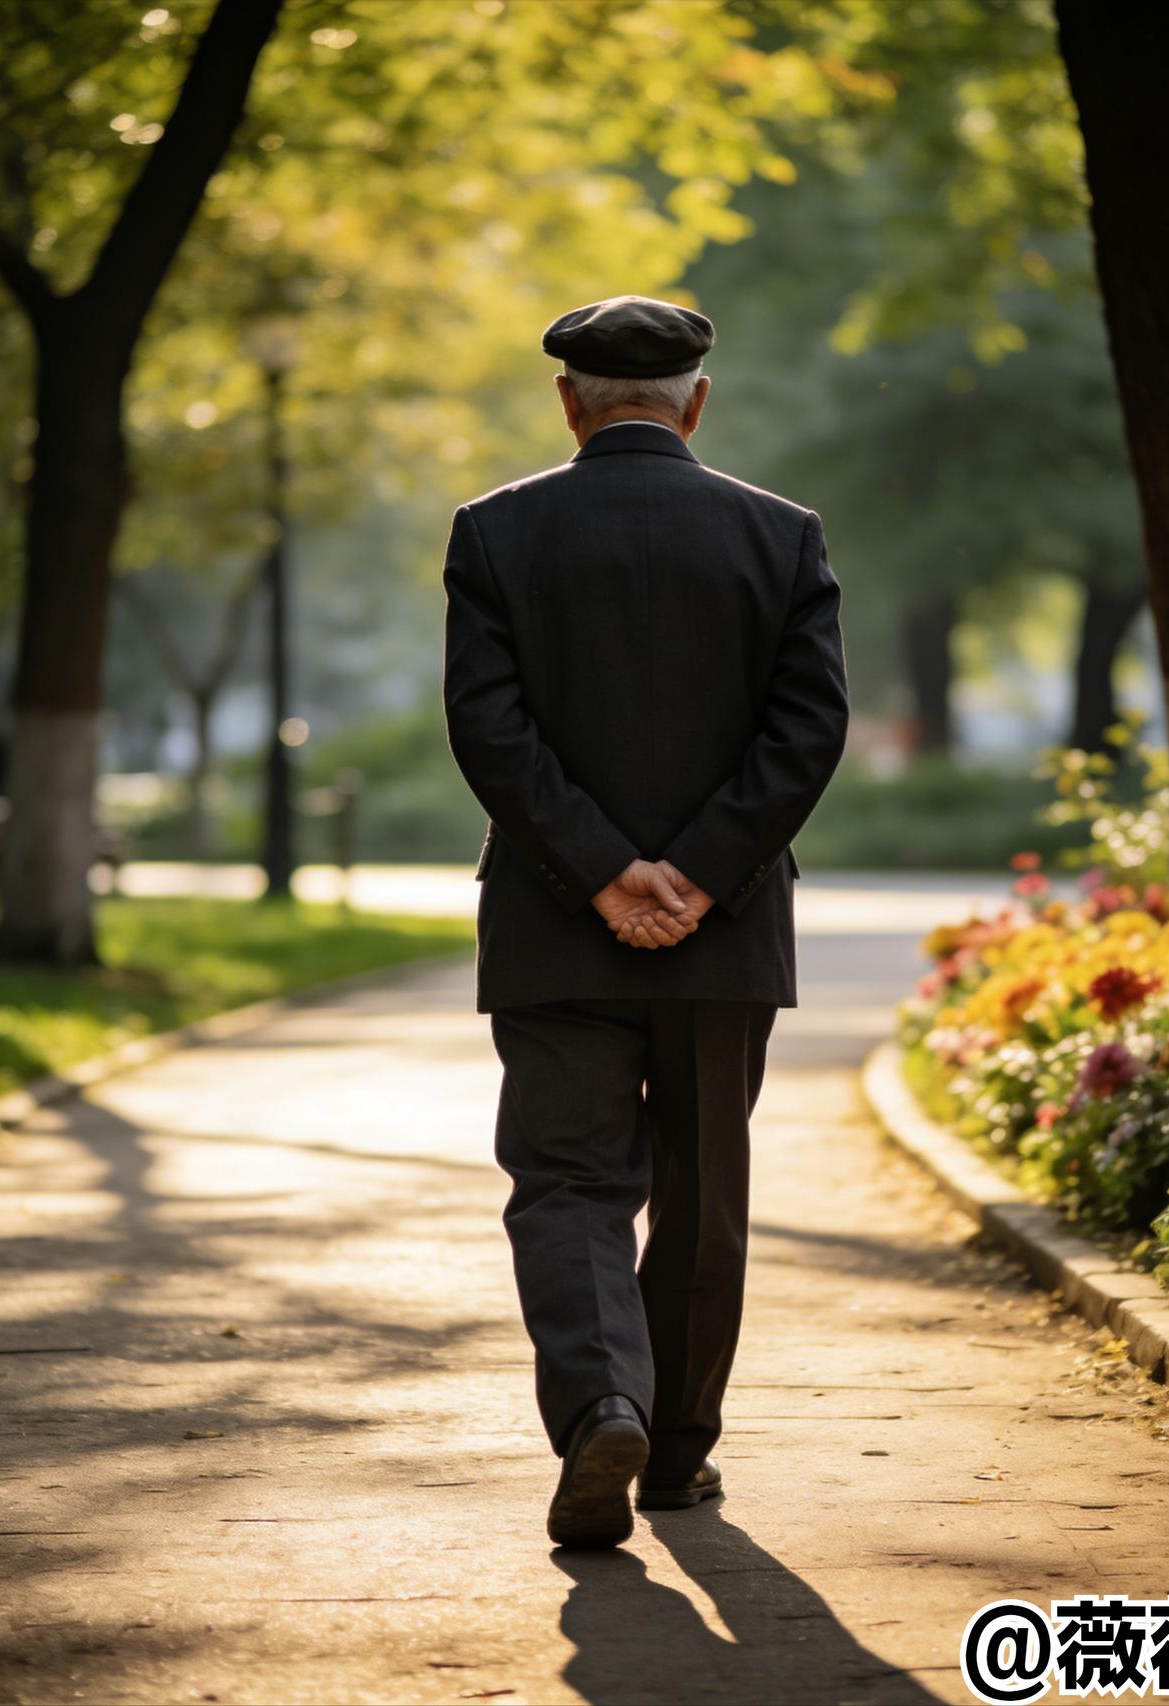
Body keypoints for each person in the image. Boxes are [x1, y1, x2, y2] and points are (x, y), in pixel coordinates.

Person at [442, 294, 849, 1548]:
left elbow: (488, 727)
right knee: (701, 1187)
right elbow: (807, 730)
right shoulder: (779, 536)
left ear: (567, 400)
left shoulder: (495, 532)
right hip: (721, 938)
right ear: (696, 399)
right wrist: (700, 873)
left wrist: (605, 871)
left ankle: (598, 1401)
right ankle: (674, 1458)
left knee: (565, 1183)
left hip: (554, 929)